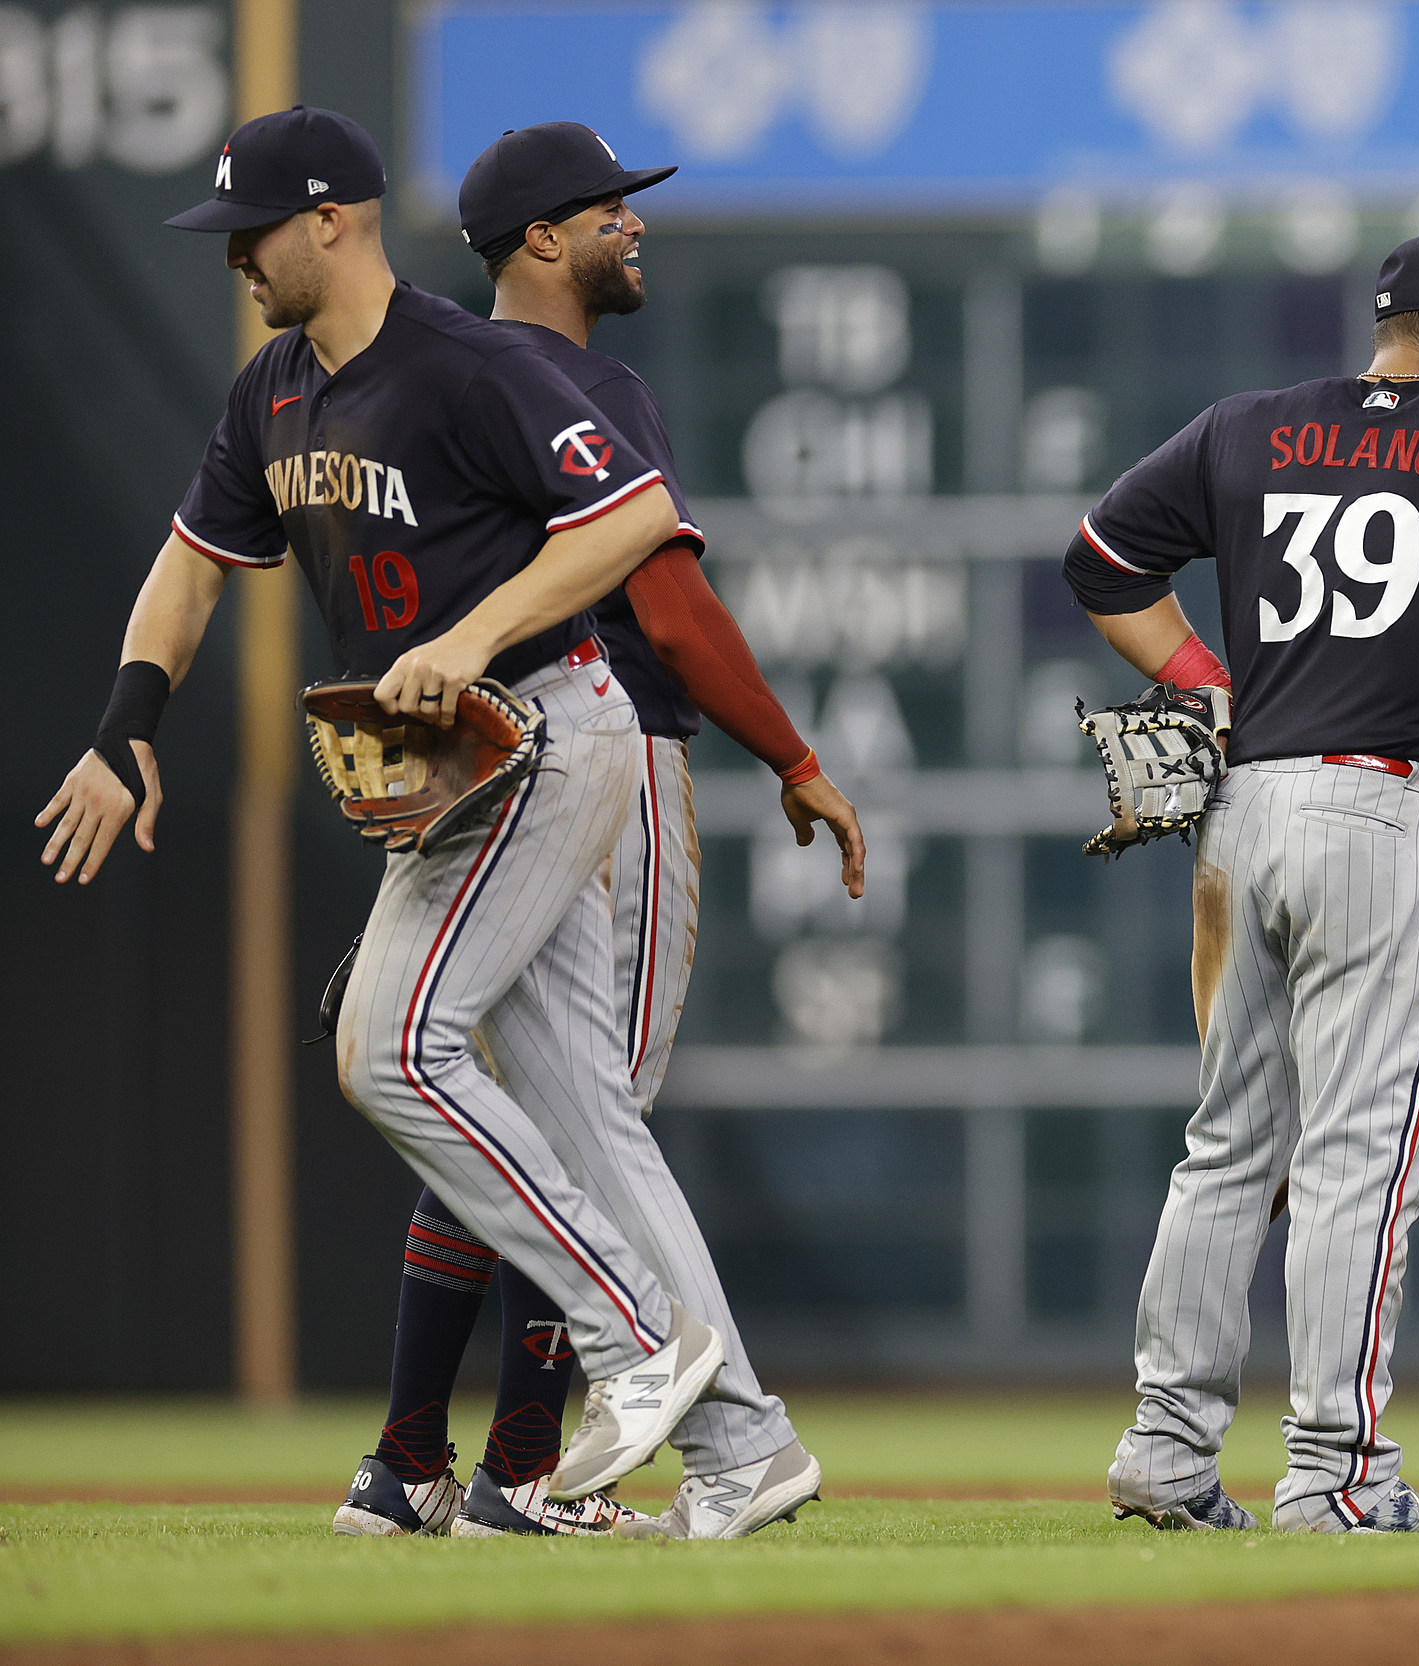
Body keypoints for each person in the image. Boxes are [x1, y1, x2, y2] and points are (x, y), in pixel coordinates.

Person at [32, 106, 789, 1534]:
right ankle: (747, 1441)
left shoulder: (471, 365)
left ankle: (636, 1333)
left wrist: (476, 631)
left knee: (387, 1045)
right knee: (588, 1109)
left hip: (552, 729)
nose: (238, 259)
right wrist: (125, 726)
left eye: (253, 231)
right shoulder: (271, 393)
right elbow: (188, 569)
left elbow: (633, 516)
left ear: (334, 219)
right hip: (478, 761)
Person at [331, 122, 865, 1541]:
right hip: (601, 761)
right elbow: (677, 614)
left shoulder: (437, 375)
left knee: (502, 1116)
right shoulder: (581, 382)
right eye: (609, 209)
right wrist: (797, 756)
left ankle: (417, 1458)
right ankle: (529, 1462)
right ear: (542, 239)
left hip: (488, 770)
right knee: (573, 1120)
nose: (636, 225)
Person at [1068, 230, 1419, 1534]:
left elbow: (1101, 563)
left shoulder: (1245, 426)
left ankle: (1166, 1444)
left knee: (1228, 1141)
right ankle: (1339, 1472)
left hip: (1246, 806)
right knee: (1358, 1160)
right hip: (1386, 811)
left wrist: (1209, 686)